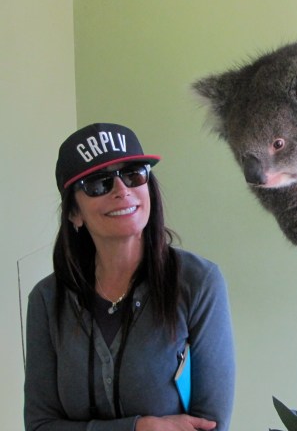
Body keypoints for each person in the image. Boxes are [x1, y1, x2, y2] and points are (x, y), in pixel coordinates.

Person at [24, 123, 235, 431]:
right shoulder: (46, 300)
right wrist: (138, 428)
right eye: (99, 183)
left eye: (134, 174)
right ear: (74, 213)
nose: (122, 190)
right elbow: (39, 425)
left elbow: (209, 425)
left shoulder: (198, 283)